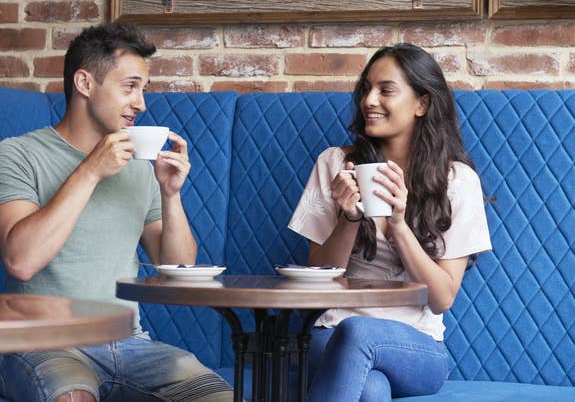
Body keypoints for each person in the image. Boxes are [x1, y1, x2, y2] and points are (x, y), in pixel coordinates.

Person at [0, 23, 232, 401]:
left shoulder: (141, 168)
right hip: (40, 339)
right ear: (85, 84)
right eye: (130, 87)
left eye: (143, 89)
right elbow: (21, 260)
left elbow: (178, 269)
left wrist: (170, 194)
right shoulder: (17, 154)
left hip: (128, 345)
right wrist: (91, 169)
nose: (141, 103)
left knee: (219, 397)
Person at [288, 43, 492, 401]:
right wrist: (350, 218)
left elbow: (442, 298)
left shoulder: (458, 181)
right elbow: (318, 279)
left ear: (422, 103)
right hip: (331, 333)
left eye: (386, 90)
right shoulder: (335, 163)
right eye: (366, 88)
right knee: (371, 389)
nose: (369, 100)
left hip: (416, 346)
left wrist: (398, 224)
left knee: (359, 334)